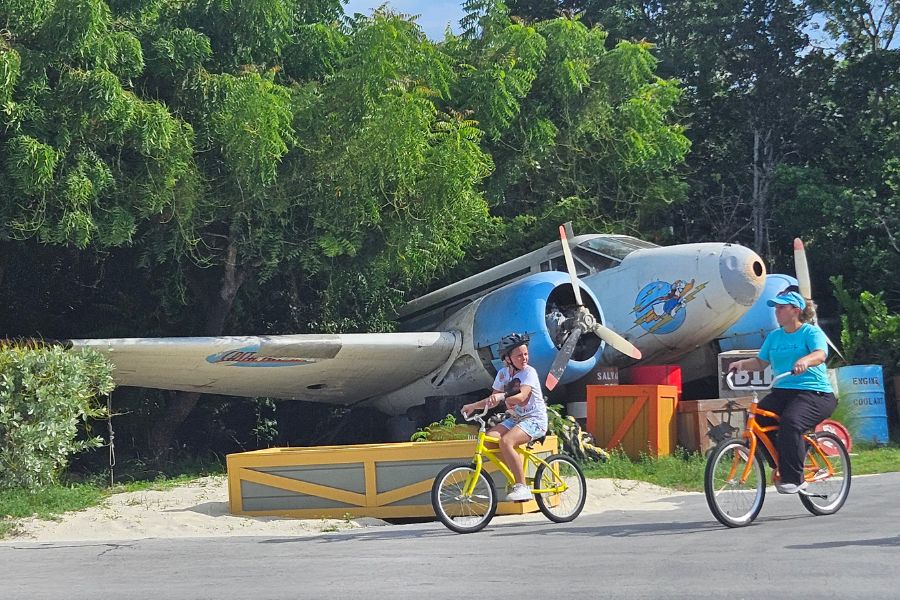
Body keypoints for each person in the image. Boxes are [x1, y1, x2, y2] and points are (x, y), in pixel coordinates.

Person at [728, 287, 837, 494]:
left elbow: (820, 354)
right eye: (775, 308)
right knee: (757, 420)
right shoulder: (774, 336)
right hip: (783, 392)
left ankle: (794, 478)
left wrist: (805, 360)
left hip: (814, 393)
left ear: (795, 310)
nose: (776, 311)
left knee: (791, 422)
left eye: (781, 307)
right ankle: (783, 464)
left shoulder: (810, 332)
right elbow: (761, 363)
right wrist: (741, 364)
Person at [461, 333, 548, 502]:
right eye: (519, 355)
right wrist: (473, 406)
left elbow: (522, 397)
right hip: (516, 419)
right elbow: (492, 401)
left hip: (535, 419)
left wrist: (502, 397)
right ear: (508, 359)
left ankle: (522, 486)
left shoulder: (529, 372)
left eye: (526, 354)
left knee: (506, 441)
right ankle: (515, 471)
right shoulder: (502, 374)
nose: (524, 358)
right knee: (488, 440)